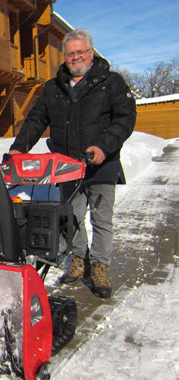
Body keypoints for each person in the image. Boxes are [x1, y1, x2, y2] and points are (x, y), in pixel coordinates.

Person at [9, 29, 136, 298]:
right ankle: (79, 260)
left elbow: (124, 119)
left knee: (101, 219)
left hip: (102, 165)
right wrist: (20, 147)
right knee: (73, 218)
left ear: (91, 53)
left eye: (81, 52)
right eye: (70, 53)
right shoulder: (53, 88)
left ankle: (100, 266)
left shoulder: (110, 82)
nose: (76, 57)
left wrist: (103, 146)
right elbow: (36, 120)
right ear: (64, 57)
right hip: (67, 167)